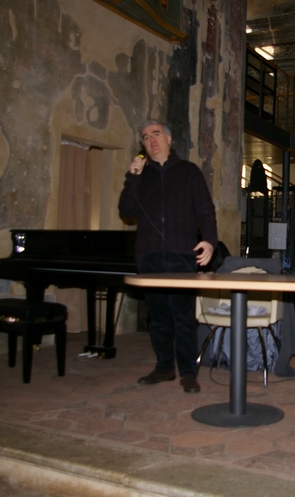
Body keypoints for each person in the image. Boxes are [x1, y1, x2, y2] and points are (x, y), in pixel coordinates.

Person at [118, 120, 218, 394]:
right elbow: (126, 209)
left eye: (156, 134)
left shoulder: (188, 172)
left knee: (183, 318)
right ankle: (164, 367)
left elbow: (205, 210)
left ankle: (188, 372)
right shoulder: (141, 175)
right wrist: (133, 177)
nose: (151, 140)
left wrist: (209, 240)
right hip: (149, 256)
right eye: (145, 136)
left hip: (182, 256)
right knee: (158, 318)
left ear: (170, 139)